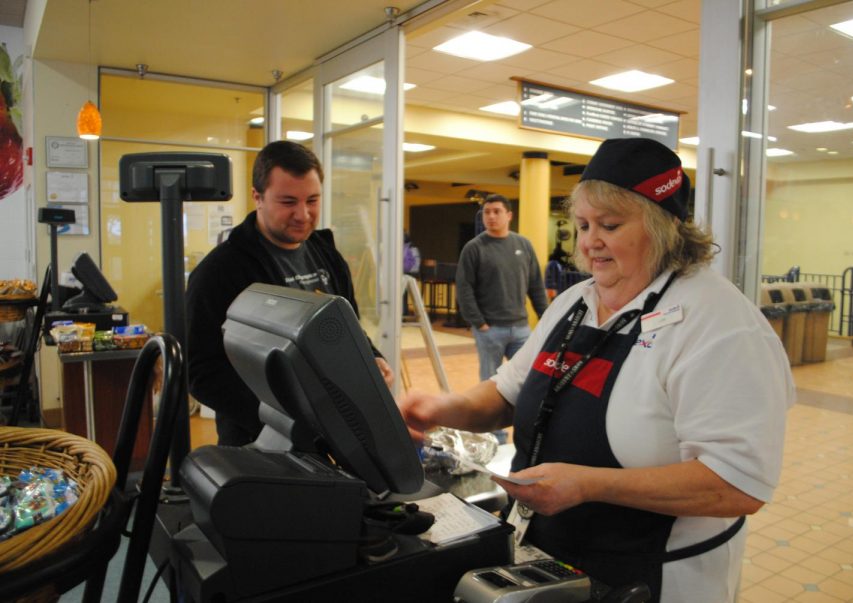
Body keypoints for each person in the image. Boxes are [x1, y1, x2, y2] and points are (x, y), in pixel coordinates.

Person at [400, 138, 794, 603]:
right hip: (548, 557)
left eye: (609, 224)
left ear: (663, 227)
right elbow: (508, 393)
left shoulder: (718, 323)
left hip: (657, 577)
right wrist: (439, 408)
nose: (589, 242)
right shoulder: (575, 302)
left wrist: (588, 485)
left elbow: (735, 485)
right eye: (582, 224)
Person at [186, 140, 394, 446]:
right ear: (257, 196)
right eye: (288, 202)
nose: (303, 214)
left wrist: (371, 358)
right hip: (259, 442)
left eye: (312, 200)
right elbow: (202, 373)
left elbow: (350, 330)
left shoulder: (329, 256)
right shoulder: (220, 271)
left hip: (335, 432)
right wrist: (284, 417)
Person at [456, 194, 549, 382]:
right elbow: (464, 289)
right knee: (490, 381)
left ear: (509, 215)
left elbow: (536, 285)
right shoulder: (474, 248)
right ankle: (490, 413)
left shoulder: (524, 245)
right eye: (486, 212)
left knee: (525, 379)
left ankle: (517, 413)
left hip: (521, 328)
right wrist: (479, 323)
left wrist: (546, 318)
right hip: (490, 329)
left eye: (496, 211)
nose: (491, 216)